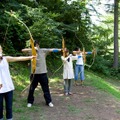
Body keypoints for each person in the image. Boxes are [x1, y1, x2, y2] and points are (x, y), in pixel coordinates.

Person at [22, 40, 61, 108]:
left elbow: (52, 50)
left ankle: (49, 101)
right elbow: (23, 50)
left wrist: (61, 49)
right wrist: (33, 49)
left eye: (37, 45)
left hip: (43, 73)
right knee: (31, 89)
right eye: (35, 45)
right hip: (34, 74)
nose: (36, 46)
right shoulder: (31, 51)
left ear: (39, 45)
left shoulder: (43, 51)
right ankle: (30, 102)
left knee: (46, 88)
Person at [0, 45, 36, 120]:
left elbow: (18, 58)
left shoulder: (6, 59)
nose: (0, 50)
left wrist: (30, 57)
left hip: (8, 87)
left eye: (0, 49)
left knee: (9, 108)